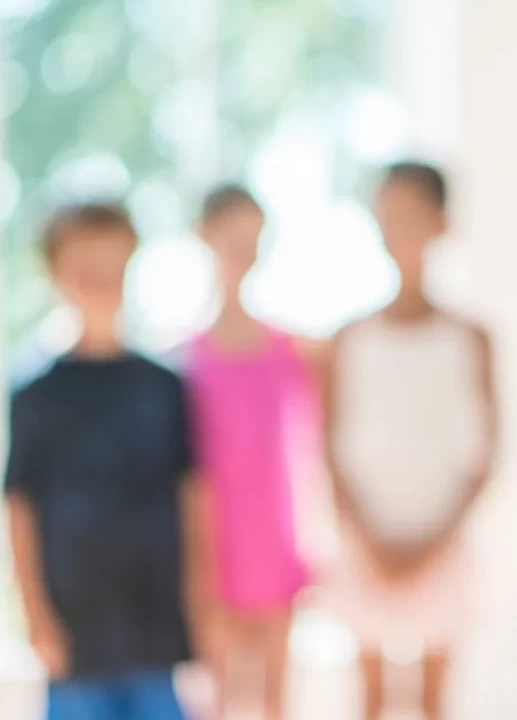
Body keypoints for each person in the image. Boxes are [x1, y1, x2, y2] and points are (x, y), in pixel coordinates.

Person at [4, 202, 203, 720]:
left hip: (154, 629)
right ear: (56, 274)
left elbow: (192, 497)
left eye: (112, 268)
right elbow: (19, 507)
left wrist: (202, 607)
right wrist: (36, 618)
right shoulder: (36, 395)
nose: (101, 283)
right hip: (76, 633)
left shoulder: (164, 386)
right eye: (85, 270)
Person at [321, 161, 498, 720]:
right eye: (387, 215)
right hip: (365, 546)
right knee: (370, 699)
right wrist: (367, 539)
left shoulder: (471, 337)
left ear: (441, 223)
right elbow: (330, 451)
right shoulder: (348, 339)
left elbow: (487, 456)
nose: (397, 229)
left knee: (434, 702)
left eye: (411, 214)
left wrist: (434, 543)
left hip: (443, 543)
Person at [184, 185, 317, 720]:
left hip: (275, 548)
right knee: (216, 699)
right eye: (232, 238)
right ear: (204, 237)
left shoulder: (293, 351)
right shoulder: (183, 360)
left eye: (252, 239)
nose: (243, 251)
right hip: (213, 553)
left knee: (275, 700)